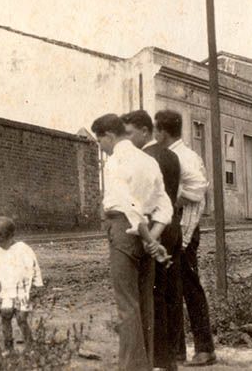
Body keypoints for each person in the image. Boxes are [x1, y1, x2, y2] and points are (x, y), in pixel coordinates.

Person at [91, 113, 173, 371]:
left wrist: (148, 238)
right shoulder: (148, 161)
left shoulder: (116, 161)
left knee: (127, 305)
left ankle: (132, 367)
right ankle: (144, 364)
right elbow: (165, 206)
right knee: (144, 302)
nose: (100, 147)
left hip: (125, 229)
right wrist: (154, 238)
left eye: (99, 140)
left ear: (110, 136)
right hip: (146, 230)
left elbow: (129, 206)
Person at [123, 110, 184, 371]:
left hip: (152, 229)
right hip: (171, 228)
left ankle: (159, 358)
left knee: (153, 295)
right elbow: (175, 194)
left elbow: (139, 199)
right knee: (171, 292)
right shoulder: (171, 155)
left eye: (130, 133)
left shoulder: (144, 158)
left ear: (145, 131)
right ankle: (173, 354)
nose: (127, 139)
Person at [154, 110, 216, 367]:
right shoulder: (178, 154)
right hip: (176, 229)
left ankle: (204, 348)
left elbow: (199, 188)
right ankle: (177, 350)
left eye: (156, 131)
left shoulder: (183, 157)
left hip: (185, 229)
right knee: (173, 289)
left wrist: (176, 197)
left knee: (190, 287)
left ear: (163, 132)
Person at [0, 216, 43, 354]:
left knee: (21, 319)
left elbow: (35, 267)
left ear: (11, 235)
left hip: (24, 291)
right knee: (5, 316)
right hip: (8, 292)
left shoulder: (23, 249)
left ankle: (30, 346)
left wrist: (37, 285)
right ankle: (8, 347)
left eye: (1, 240)